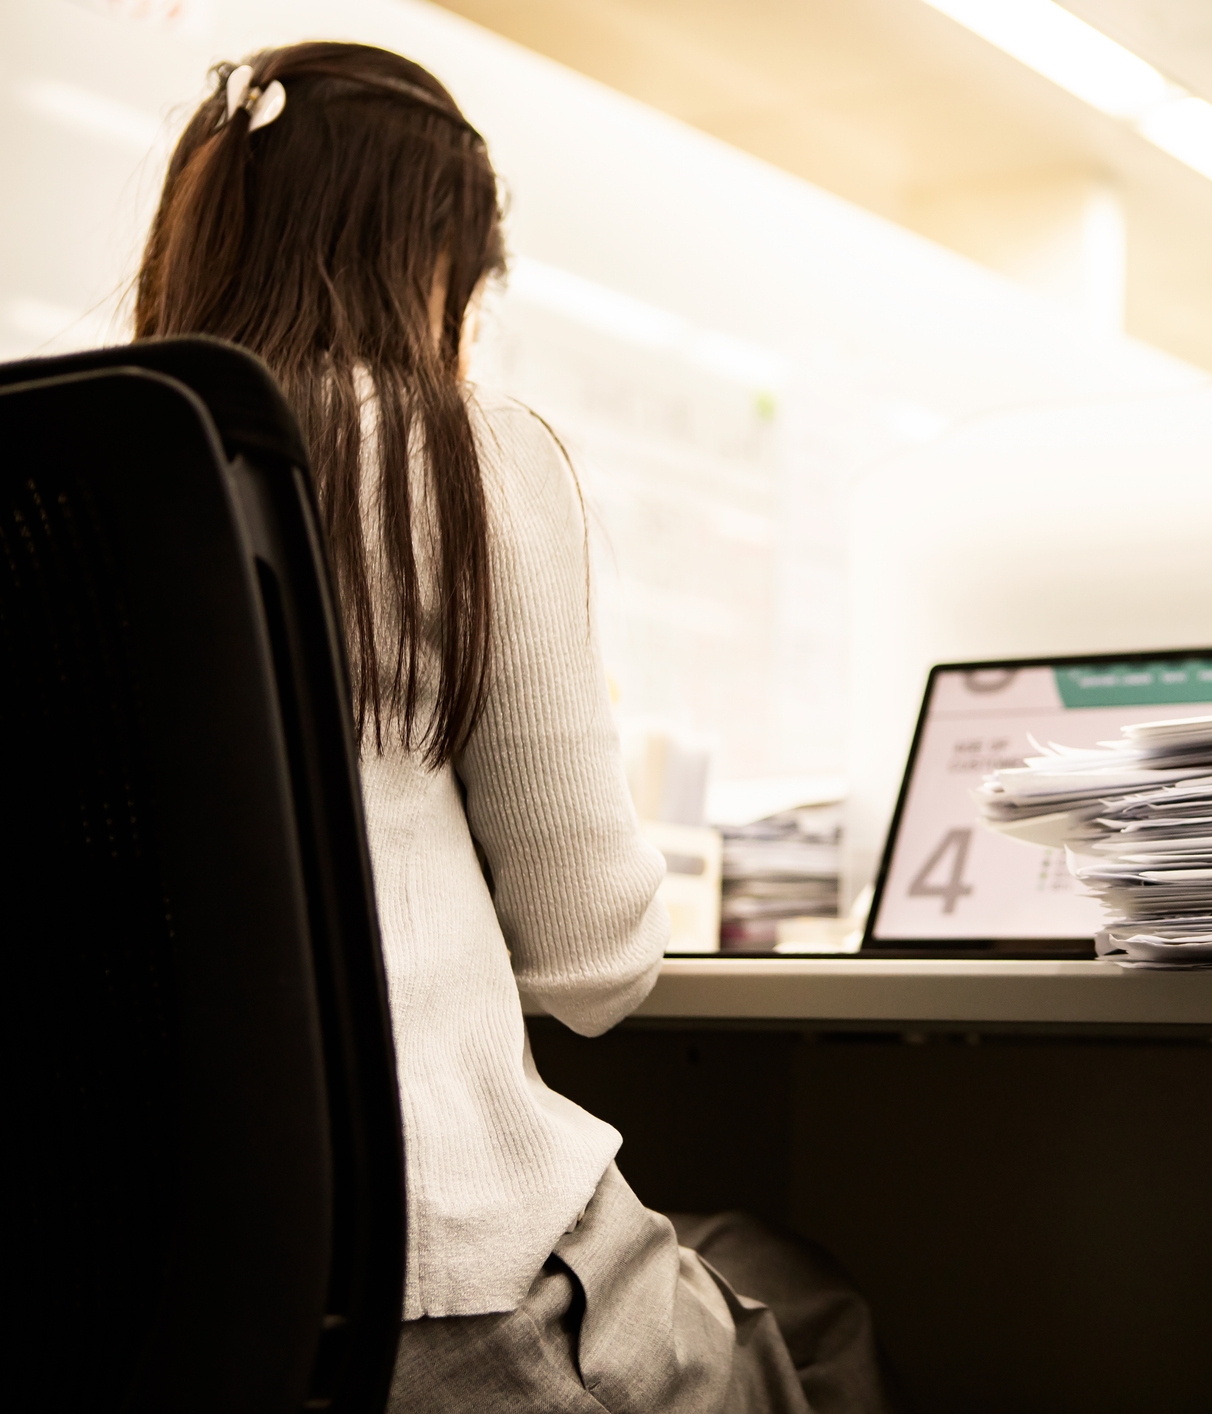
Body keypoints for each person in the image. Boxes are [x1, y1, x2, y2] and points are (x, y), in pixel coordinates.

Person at [133, 42, 894, 1413]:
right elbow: (594, 959)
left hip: (131, 1287)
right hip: (427, 1295)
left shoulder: (88, 482)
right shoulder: (462, 455)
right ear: (430, 265)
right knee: (813, 1304)